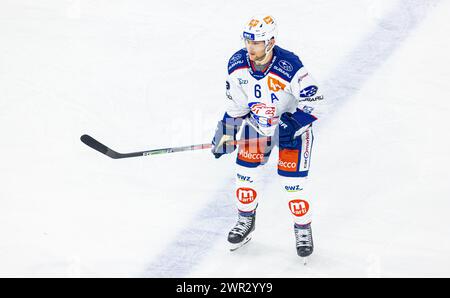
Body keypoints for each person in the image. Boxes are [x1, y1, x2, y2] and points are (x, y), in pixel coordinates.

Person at [211, 14, 325, 260]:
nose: (251, 48)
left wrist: (292, 124)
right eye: (248, 42)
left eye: (257, 42)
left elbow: (315, 103)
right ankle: (245, 221)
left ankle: (303, 229)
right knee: (245, 174)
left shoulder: (290, 66)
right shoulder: (237, 64)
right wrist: (227, 131)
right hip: (259, 126)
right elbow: (238, 106)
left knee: (292, 184)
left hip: (292, 132)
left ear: (270, 41)